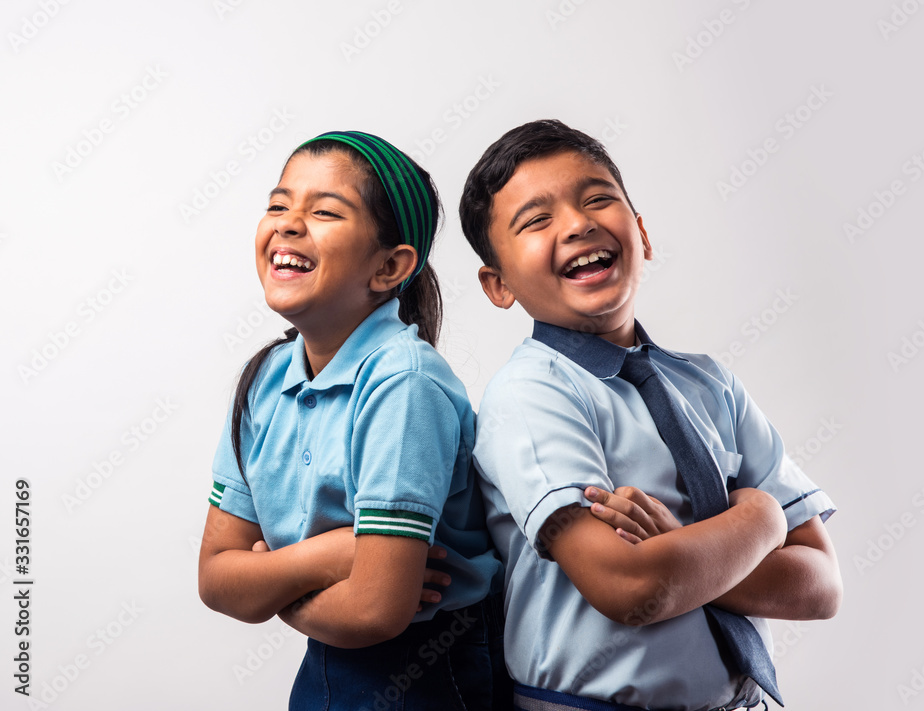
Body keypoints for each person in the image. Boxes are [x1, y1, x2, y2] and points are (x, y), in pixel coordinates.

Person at [459, 119, 842, 711]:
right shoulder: (530, 396)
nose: (578, 223)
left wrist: (686, 554)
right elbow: (629, 587)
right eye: (537, 220)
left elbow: (820, 584)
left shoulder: (710, 383)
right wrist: (761, 519)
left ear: (641, 232)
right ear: (498, 284)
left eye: (598, 199)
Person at [198, 130, 509, 711]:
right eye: (278, 204)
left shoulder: (403, 383)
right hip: (325, 666)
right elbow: (216, 580)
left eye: (323, 211)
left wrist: (271, 588)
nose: (289, 224)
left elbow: (373, 611)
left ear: (390, 267)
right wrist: (328, 558)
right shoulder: (265, 378)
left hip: (431, 673)